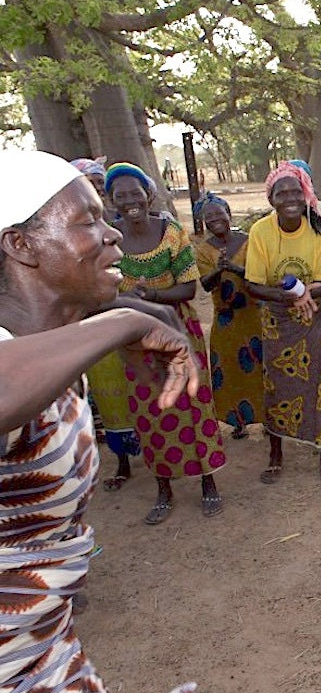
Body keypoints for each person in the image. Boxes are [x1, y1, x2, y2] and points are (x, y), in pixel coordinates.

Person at [0, 149, 196, 693]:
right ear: (22, 245)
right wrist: (123, 322)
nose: (113, 232)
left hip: (38, 661)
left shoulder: (52, 354)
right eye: (88, 219)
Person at [104, 162, 225, 524]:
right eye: (120, 195)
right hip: (135, 336)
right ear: (111, 201)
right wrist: (142, 302)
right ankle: (164, 487)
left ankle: (208, 482)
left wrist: (148, 295)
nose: (130, 201)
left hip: (178, 328)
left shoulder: (171, 232)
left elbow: (188, 288)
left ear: (149, 194)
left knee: (194, 403)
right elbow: (105, 289)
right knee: (150, 410)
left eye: (135, 192)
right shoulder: (109, 238)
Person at [245, 161, 321, 483]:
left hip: (319, 314)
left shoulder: (319, 227)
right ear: (272, 199)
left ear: (306, 194)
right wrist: (292, 297)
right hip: (279, 319)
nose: (291, 198)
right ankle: (276, 452)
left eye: (297, 190)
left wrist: (307, 293)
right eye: (283, 192)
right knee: (279, 385)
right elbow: (253, 285)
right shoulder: (261, 231)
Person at [74, 158, 139, 490]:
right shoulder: (77, 236)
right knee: (111, 395)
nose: (98, 190)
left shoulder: (121, 228)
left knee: (141, 393)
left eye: (100, 185)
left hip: (134, 322)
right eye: (92, 185)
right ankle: (122, 462)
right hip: (99, 323)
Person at [194, 193, 263, 439]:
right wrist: (218, 270)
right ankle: (238, 421)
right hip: (226, 318)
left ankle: (266, 419)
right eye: (208, 216)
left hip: (254, 315)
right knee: (231, 368)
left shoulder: (249, 240)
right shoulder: (203, 250)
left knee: (260, 367)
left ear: (229, 213)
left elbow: (259, 274)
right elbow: (204, 284)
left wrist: (235, 268)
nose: (215, 219)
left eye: (218, 213)